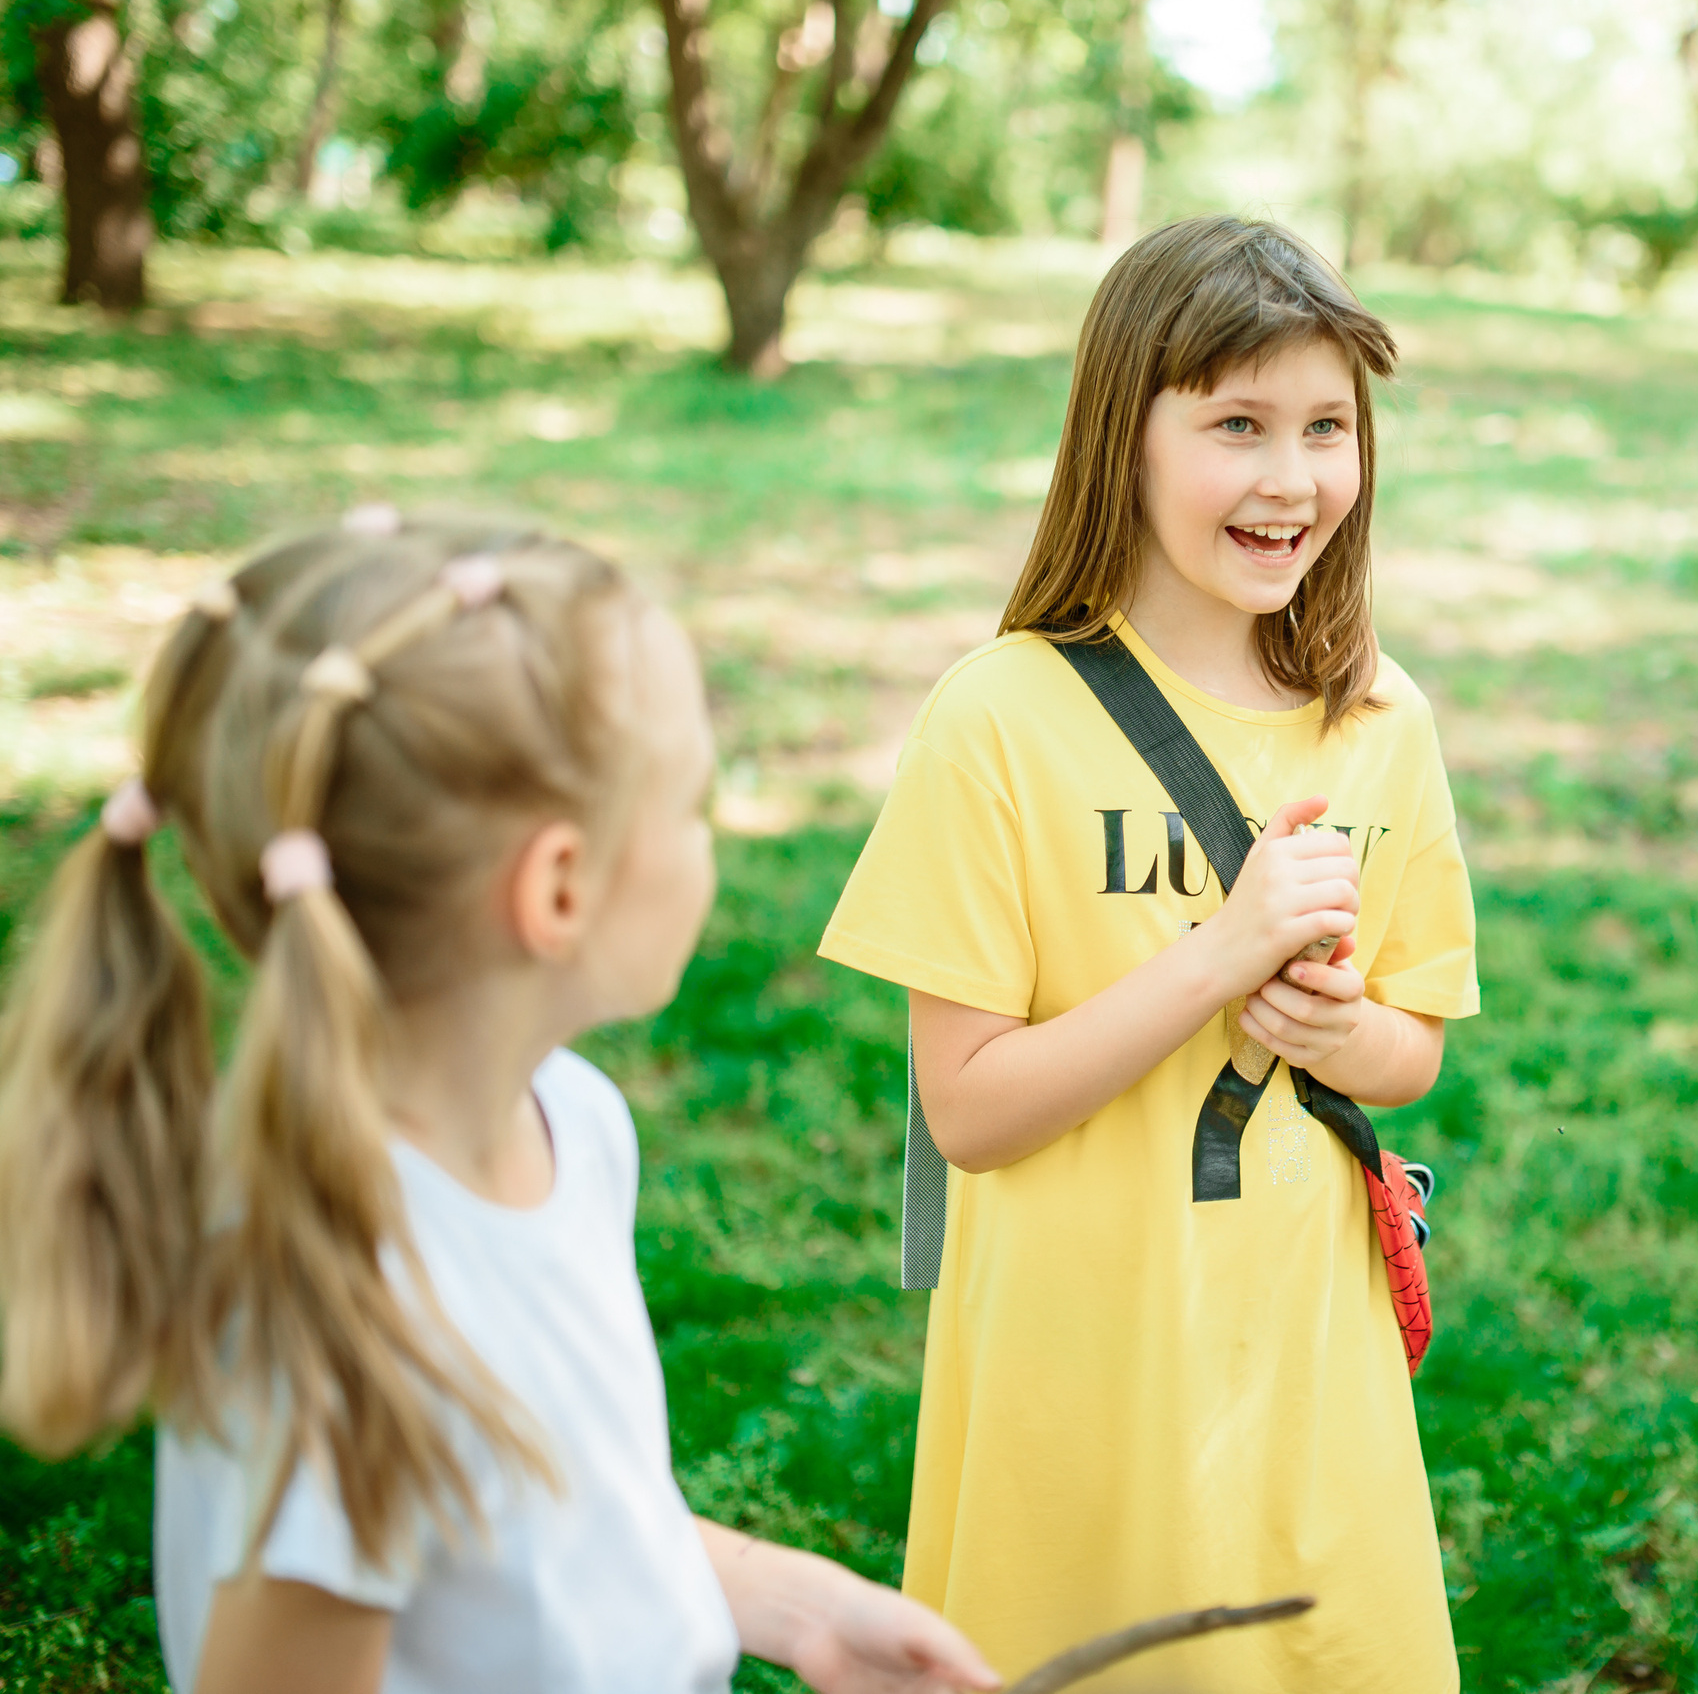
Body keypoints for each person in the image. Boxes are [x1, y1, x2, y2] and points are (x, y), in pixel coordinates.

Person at [0, 512, 1000, 1694]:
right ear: (558, 887)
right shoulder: (341, 1318)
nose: (708, 832)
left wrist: (803, 1606)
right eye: (688, 800)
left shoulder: (569, 1125)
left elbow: (579, 1522)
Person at [818, 215, 1479, 1692]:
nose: (1291, 478)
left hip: (1306, 1352)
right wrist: (1218, 954)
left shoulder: (1383, 722)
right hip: (1081, 1355)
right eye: (1236, 424)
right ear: (1126, 432)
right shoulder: (999, 717)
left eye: (1326, 426)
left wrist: (1331, 1025)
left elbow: (1413, 1051)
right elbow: (970, 1112)